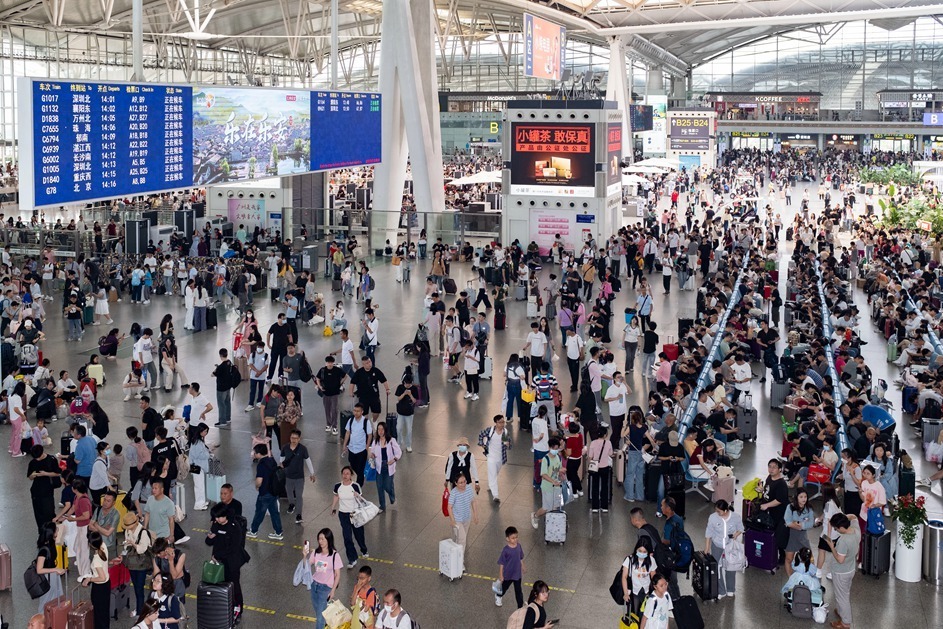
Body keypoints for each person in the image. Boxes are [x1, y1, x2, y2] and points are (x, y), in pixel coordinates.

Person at [205, 503, 249, 622]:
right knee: (220, 585)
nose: (217, 520)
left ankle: (237, 609)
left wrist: (217, 556)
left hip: (231, 562)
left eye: (219, 517)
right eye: (216, 517)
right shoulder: (216, 524)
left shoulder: (234, 527)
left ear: (226, 515)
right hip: (218, 561)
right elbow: (209, 542)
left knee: (234, 585)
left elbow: (234, 548)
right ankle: (224, 607)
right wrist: (210, 537)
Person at [823, 513, 859, 629]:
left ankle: (845, 623)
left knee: (842, 597)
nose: (836, 530)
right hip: (850, 568)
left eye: (836, 528)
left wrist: (832, 546)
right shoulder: (856, 530)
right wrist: (842, 518)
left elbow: (840, 559)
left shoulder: (844, 540)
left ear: (841, 527)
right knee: (845, 593)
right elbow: (854, 516)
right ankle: (840, 611)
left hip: (841, 572)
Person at [305, 528, 343, 629]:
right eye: (319, 539)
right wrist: (305, 556)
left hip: (325, 588)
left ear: (328, 540)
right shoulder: (316, 552)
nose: (320, 541)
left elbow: (337, 575)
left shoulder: (335, 555)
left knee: (320, 617)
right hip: (314, 585)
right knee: (319, 612)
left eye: (323, 539)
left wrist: (333, 590)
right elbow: (306, 566)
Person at [331, 466, 369, 569]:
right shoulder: (337, 486)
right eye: (344, 473)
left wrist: (357, 496)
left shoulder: (355, 486)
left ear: (351, 475)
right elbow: (336, 496)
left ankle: (363, 549)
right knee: (347, 537)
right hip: (343, 514)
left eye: (347, 474)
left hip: (354, 514)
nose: (345, 476)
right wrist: (333, 507)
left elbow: (361, 500)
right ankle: (352, 558)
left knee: (359, 534)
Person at [705, 499, 744, 598]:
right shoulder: (713, 517)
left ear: (726, 510)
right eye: (716, 510)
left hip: (730, 546)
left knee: (731, 566)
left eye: (719, 511)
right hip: (717, 545)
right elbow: (709, 533)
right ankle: (721, 591)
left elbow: (741, 528)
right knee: (717, 567)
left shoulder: (735, 517)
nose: (717, 513)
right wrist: (707, 547)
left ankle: (731, 589)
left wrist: (736, 534)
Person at [247, 443, 283, 540]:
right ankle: (278, 532)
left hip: (265, 493)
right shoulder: (272, 460)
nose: (254, 454)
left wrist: (257, 486)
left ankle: (253, 531)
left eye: (255, 453)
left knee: (259, 512)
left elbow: (259, 480)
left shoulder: (261, 465)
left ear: (259, 454)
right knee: (274, 512)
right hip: (273, 492)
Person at [281, 429, 316, 525]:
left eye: (296, 438)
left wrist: (312, 473)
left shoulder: (303, 449)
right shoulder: (285, 448)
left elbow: (308, 460)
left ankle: (299, 514)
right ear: (290, 438)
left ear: (299, 439)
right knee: (289, 492)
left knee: (299, 495)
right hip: (288, 476)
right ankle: (291, 504)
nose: (294, 440)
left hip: (299, 477)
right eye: (292, 438)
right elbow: (282, 460)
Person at [759, 458, 790, 564]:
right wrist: (762, 490)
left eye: (774, 467)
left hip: (779, 513)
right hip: (770, 511)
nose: (771, 469)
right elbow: (768, 490)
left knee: (779, 534)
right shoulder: (769, 477)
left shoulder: (781, 484)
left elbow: (779, 500)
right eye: (770, 466)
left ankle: (782, 555)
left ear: (780, 469)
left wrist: (766, 505)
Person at [123, 512, 153, 617]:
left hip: (141, 564)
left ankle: (140, 612)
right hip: (132, 563)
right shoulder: (127, 531)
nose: (128, 529)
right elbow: (126, 546)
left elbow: (141, 549)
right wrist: (127, 544)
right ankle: (140, 608)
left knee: (139, 588)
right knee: (136, 587)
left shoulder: (143, 532)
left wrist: (133, 544)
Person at [530, 437, 565, 529]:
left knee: (555, 506)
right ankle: (535, 515)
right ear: (549, 447)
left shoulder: (558, 457)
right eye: (554, 448)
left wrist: (561, 474)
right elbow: (543, 474)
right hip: (547, 487)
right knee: (546, 508)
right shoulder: (545, 459)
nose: (555, 450)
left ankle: (552, 524)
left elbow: (558, 469)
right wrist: (553, 481)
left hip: (557, 486)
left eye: (557, 448)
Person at [80, 531, 111, 629]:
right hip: (107, 585)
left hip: (99, 587)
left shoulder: (97, 559)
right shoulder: (103, 546)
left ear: (91, 545)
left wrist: (89, 579)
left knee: (99, 613)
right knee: (104, 611)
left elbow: (102, 577)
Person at [34, 521, 67, 614]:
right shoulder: (43, 550)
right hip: (47, 577)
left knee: (56, 597)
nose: (57, 530)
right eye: (56, 530)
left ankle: (53, 617)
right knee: (46, 600)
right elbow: (39, 569)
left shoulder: (51, 543)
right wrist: (56, 569)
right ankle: (42, 619)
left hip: (53, 575)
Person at [28, 444, 61, 533]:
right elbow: (30, 476)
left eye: (38, 457)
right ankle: (42, 532)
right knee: (38, 514)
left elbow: (57, 473)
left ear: (42, 453)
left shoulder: (51, 459)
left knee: (49, 513)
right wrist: (33, 475)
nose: (37, 459)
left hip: (47, 492)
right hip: (36, 492)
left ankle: (51, 532)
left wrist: (45, 474)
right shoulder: (32, 462)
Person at [368, 422, 401, 512]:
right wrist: (372, 455)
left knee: (388, 486)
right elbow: (372, 451)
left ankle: (392, 497)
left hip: (388, 466)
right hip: (379, 467)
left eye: (382, 429)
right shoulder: (376, 441)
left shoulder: (391, 441)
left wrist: (394, 459)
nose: (380, 431)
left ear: (385, 430)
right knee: (379, 487)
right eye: (379, 429)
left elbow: (398, 452)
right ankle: (382, 506)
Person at [478, 415, 511, 503]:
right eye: (500, 422)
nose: (502, 424)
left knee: (495, 473)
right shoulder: (490, 430)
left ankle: (491, 484)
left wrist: (508, 444)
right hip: (491, 457)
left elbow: (509, 445)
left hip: (500, 458)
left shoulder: (505, 432)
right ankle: (495, 495)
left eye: (503, 422)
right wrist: (482, 444)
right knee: (493, 475)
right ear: (496, 423)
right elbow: (481, 434)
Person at [622, 537, 658, 615]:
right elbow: (624, 577)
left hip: (647, 590)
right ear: (636, 550)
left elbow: (653, 576)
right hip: (634, 590)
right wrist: (625, 593)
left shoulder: (651, 560)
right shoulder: (629, 560)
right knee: (635, 611)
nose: (642, 553)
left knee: (646, 611)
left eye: (644, 551)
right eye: (640, 551)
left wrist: (657, 588)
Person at [784, 488, 815, 576]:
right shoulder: (790, 507)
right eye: (801, 497)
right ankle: (791, 578)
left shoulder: (809, 509)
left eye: (805, 497)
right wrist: (803, 524)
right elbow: (788, 522)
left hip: (802, 536)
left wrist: (798, 524)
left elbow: (811, 523)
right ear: (796, 497)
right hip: (791, 536)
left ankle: (808, 577)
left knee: (809, 558)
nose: (803, 499)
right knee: (789, 559)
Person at [342, 403, 374, 486]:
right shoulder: (351, 420)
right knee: (353, 465)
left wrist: (367, 446)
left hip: (361, 450)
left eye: (358, 411)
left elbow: (370, 435)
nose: (355, 413)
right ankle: (361, 475)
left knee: (360, 470)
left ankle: (358, 488)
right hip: (352, 449)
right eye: (354, 411)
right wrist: (344, 445)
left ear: (362, 412)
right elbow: (347, 433)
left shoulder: (366, 422)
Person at [349, 356, 389, 422]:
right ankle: (366, 424)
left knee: (376, 412)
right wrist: (351, 392)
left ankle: (374, 421)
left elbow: (384, 380)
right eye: (367, 363)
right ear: (363, 364)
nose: (369, 364)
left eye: (370, 362)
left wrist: (387, 389)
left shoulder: (376, 371)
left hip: (374, 396)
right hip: (363, 397)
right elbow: (352, 382)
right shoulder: (359, 372)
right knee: (364, 414)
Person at [447, 474, 479, 556]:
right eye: (460, 483)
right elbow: (449, 507)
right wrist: (452, 520)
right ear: (456, 483)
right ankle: (460, 559)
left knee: (459, 538)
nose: (463, 484)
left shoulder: (469, 488)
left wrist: (475, 515)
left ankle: (454, 555)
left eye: (464, 481)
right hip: (457, 520)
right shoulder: (454, 493)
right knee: (462, 539)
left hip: (467, 518)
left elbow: (473, 501)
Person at [494, 526, 525, 609]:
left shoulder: (519, 546)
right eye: (513, 538)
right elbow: (502, 563)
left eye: (516, 537)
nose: (515, 539)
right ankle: (498, 595)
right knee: (504, 587)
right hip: (508, 574)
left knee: (518, 590)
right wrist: (501, 575)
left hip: (517, 574)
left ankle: (520, 607)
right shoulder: (506, 550)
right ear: (507, 539)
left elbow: (520, 557)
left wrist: (522, 565)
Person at [315, 355, 346, 435]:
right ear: (326, 363)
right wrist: (319, 386)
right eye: (328, 363)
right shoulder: (322, 370)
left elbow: (345, 376)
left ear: (333, 363)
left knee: (334, 409)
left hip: (335, 393)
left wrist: (340, 383)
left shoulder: (337, 370)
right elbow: (317, 378)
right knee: (327, 409)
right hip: (325, 393)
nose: (330, 364)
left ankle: (334, 426)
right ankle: (328, 424)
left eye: (331, 363)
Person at [586, 426, 613, 513]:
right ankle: (604, 507)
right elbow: (611, 454)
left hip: (595, 467)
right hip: (605, 467)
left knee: (595, 486)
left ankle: (595, 507)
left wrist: (590, 465)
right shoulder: (608, 443)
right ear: (605, 435)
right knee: (605, 486)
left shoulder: (593, 443)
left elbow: (590, 456)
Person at [89, 490, 120, 559]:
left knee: (109, 564)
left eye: (108, 501)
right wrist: (103, 529)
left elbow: (108, 533)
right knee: (94, 563)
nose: (105, 502)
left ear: (113, 503)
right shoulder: (98, 509)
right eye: (104, 500)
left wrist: (96, 525)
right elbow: (90, 526)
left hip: (109, 545)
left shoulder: (115, 514)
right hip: (96, 543)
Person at [211, 348, 237, 428]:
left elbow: (213, 374)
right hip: (228, 387)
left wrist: (216, 368)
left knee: (221, 404)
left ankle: (222, 421)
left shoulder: (221, 367)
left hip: (221, 388)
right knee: (227, 402)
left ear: (220, 355)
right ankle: (228, 418)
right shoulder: (229, 363)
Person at [188, 423, 211, 511]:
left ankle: (202, 501)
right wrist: (207, 454)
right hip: (197, 466)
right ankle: (198, 504)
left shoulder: (197, 440)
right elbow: (199, 455)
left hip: (197, 466)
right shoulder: (197, 442)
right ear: (200, 431)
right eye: (205, 431)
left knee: (200, 485)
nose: (206, 433)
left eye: (206, 431)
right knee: (199, 486)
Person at [393, 372, 418, 452]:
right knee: (398, 428)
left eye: (409, 384)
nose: (407, 385)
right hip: (400, 412)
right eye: (406, 383)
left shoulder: (414, 389)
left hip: (409, 413)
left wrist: (410, 395)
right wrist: (404, 394)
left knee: (409, 430)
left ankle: (408, 445)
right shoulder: (400, 387)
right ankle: (399, 442)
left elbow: (414, 401)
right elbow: (398, 399)